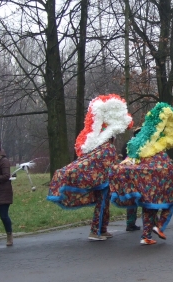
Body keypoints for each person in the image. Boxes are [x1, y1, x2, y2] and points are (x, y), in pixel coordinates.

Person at [48, 94, 133, 241]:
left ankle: (103, 229)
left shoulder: (102, 148)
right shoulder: (107, 149)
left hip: (104, 182)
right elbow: (108, 165)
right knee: (101, 207)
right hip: (103, 183)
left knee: (104, 206)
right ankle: (96, 231)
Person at [111, 103, 173, 245]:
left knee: (147, 208)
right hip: (156, 186)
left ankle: (146, 236)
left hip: (143, 186)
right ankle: (159, 226)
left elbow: (127, 163)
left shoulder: (136, 149)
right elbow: (166, 168)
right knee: (167, 204)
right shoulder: (156, 150)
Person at [121, 127, 142, 232]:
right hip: (138, 175)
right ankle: (152, 223)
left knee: (132, 199)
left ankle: (130, 223)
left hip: (127, 175)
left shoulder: (127, 144)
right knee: (144, 198)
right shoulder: (141, 146)